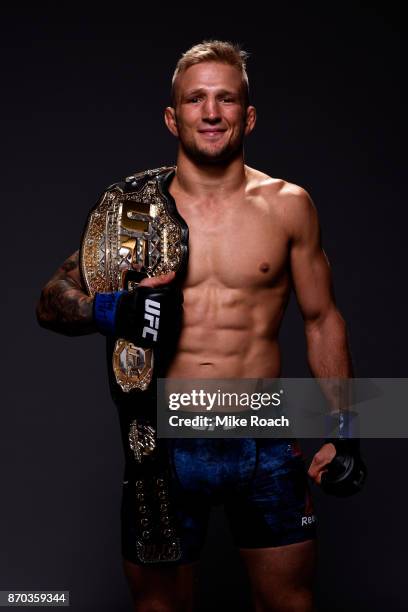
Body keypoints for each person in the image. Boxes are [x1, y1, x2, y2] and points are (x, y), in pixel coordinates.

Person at [36, 40, 356, 612]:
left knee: (291, 603)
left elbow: (322, 318)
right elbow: (51, 303)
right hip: (162, 439)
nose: (211, 113)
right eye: (195, 99)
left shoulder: (289, 205)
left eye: (226, 99)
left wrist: (347, 427)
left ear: (248, 115)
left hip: (263, 430)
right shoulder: (130, 213)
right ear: (172, 115)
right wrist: (115, 311)